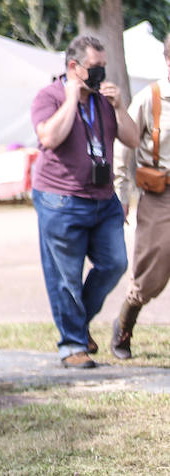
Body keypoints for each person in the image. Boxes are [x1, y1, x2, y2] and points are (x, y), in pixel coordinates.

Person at [29, 34, 137, 368]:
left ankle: (78, 324)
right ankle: (72, 345)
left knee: (115, 263)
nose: (101, 74)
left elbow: (131, 139)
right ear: (74, 67)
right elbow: (49, 137)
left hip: (103, 200)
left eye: (104, 67)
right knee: (65, 275)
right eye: (95, 67)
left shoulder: (104, 101)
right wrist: (71, 99)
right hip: (60, 199)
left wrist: (119, 106)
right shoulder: (49, 96)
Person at [109, 32, 170, 358]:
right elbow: (125, 141)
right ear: (167, 59)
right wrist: (121, 192)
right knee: (152, 272)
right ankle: (125, 324)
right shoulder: (153, 97)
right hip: (161, 195)